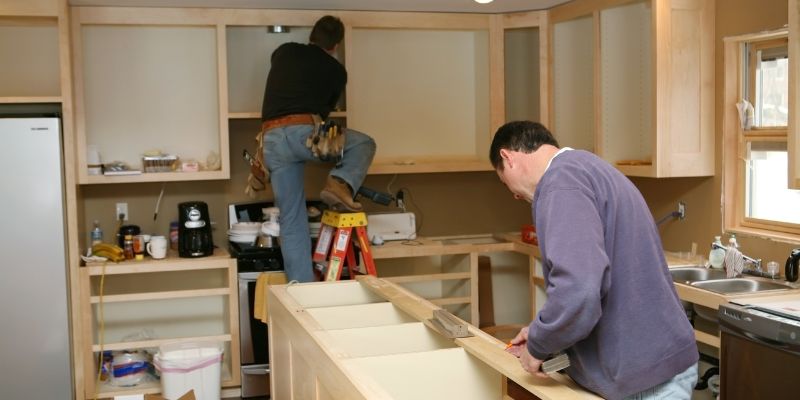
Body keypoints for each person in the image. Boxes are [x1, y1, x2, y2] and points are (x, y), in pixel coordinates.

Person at [490, 121, 698, 399]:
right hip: (651, 363)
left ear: (508, 157)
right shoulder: (588, 167)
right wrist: (546, 331)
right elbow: (593, 284)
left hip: (645, 379)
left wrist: (537, 346)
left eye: (505, 184)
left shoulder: (560, 184)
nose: (515, 195)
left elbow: (579, 290)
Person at [261, 15, 376, 282]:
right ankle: (340, 182)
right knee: (364, 143)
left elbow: (280, 72)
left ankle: (303, 289)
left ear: (311, 36)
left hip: (271, 141)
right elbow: (322, 116)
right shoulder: (337, 71)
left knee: (291, 221)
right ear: (336, 45)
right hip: (303, 133)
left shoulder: (285, 51)